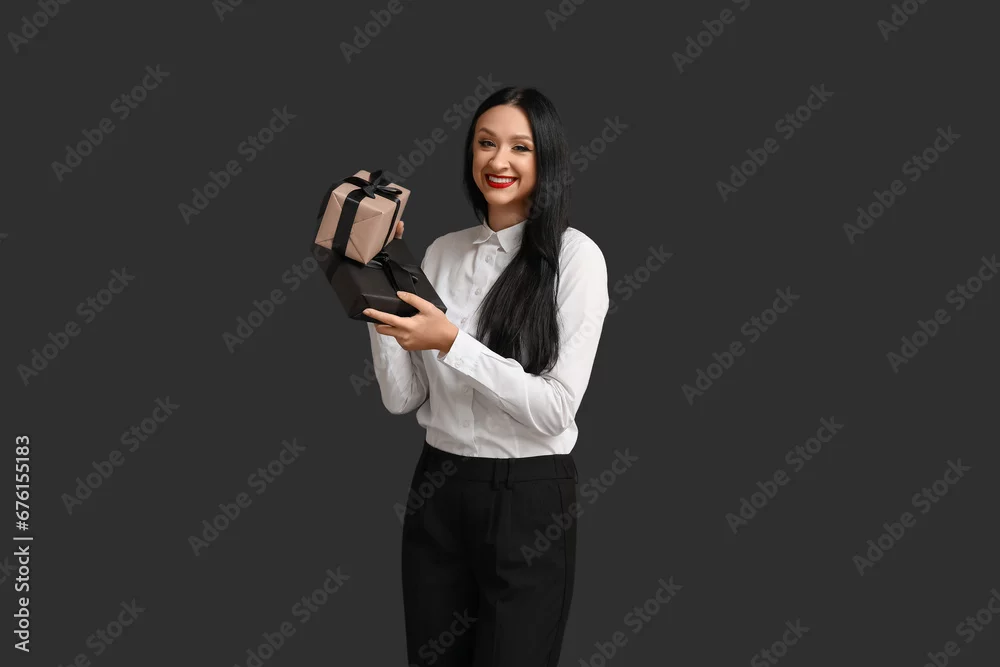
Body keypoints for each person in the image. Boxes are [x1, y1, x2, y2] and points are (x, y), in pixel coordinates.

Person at [363, 86, 610, 667]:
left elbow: (555, 409)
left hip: (528, 499)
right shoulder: (440, 253)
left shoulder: (575, 258)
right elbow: (403, 397)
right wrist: (374, 282)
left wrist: (452, 342)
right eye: (485, 143)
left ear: (546, 158)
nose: (499, 160)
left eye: (520, 147)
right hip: (439, 488)